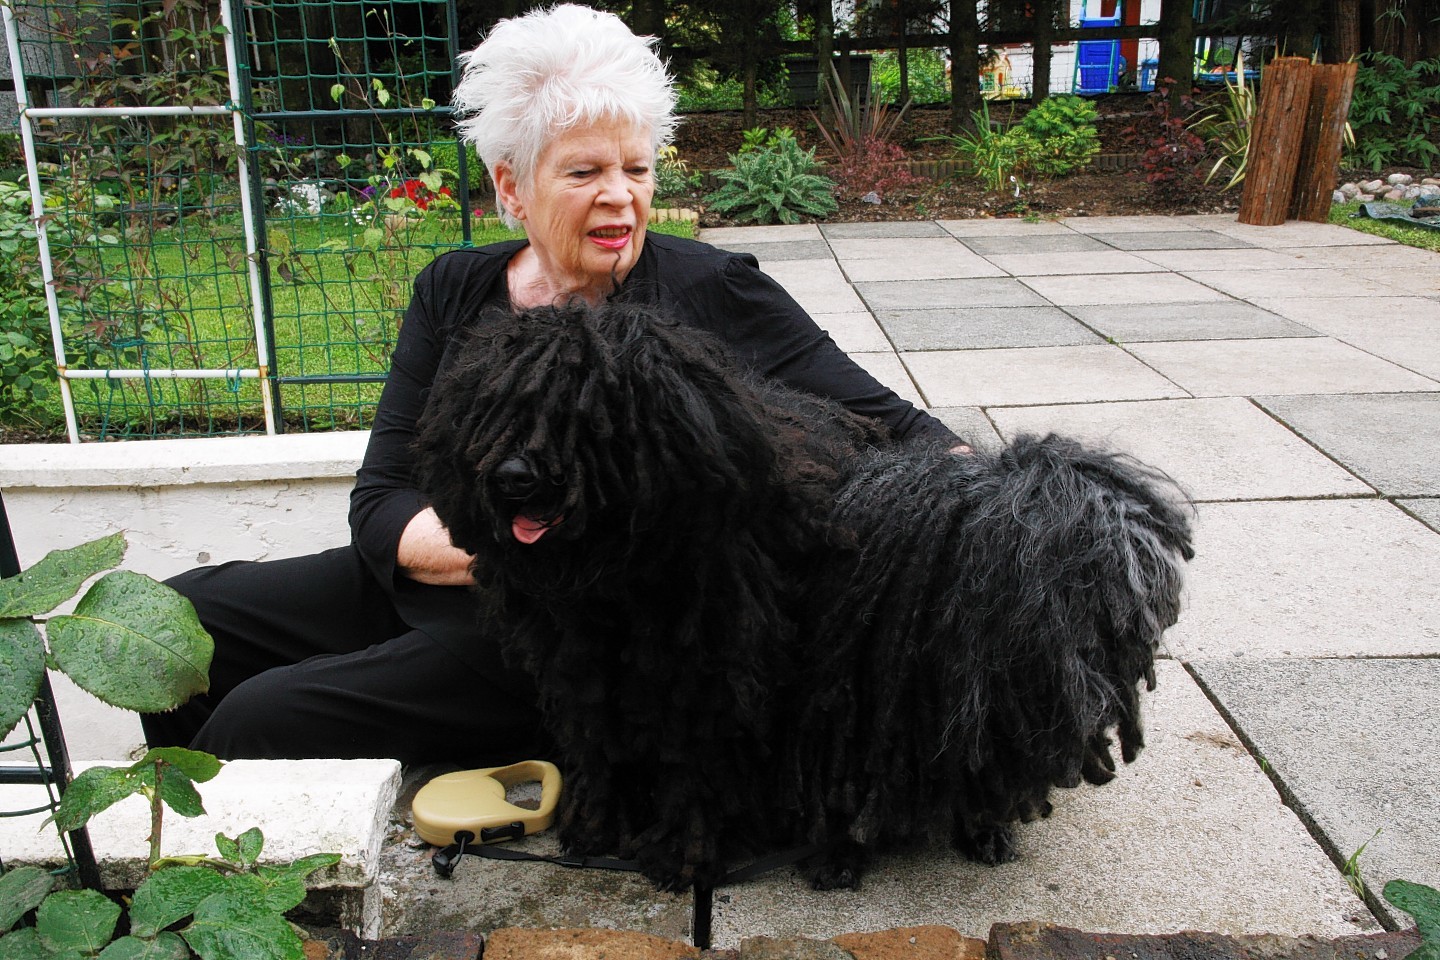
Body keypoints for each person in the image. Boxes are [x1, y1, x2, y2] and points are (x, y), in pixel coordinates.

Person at [141, 3, 962, 765]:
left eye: (637, 169)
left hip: (574, 636)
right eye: (584, 173)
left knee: (262, 719)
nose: (622, 196)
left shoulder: (712, 290)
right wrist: (497, 545)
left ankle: (233, 883)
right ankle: (182, 855)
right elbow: (383, 496)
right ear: (511, 188)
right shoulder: (455, 289)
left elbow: (909, 435)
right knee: (175, 626)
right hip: (454, 567)